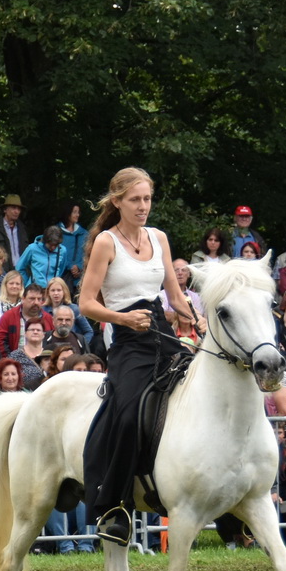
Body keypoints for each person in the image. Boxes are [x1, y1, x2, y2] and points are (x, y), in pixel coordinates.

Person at [76, 167, 196, 545]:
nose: (143, 206)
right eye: (135, 200)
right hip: (127, 341)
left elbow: (175, 297)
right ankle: (114, 506)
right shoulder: (106, 243)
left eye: (147, 199)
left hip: (162, 331)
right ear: (118, 202)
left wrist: (199, 320)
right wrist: (121, 318)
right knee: (128, 414)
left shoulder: (159, 237)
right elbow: (86, 303)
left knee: (201, 392)